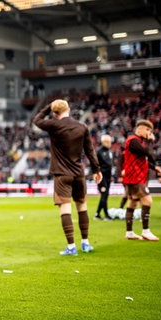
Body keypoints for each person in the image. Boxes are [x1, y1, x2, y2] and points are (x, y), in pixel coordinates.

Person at [33, 99, 102, 256]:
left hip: (62, 173)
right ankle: (85, 243)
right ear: (69, 109)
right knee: (82, 206)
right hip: (79, 173)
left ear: (54, 112)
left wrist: (47, 108)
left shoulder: (53, 125)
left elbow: (36, 120)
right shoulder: (82, 126)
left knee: (65, 208)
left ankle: (71, 246)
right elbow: (90, 150)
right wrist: (96, 169)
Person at [122, 120, 161, 240]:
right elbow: (146, 152)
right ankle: (146, 231)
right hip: (135, 178)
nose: (149, 133)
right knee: (147, 201)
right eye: (147, 130)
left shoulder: (137, 142)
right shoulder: (133, 140)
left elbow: (144, 158)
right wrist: (150, 141)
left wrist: (154, 167)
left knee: (133, 203)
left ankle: (129, 232)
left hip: (134, 177)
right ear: (139, 129)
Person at [94, 134, 113, 220]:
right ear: (103, 142)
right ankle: (106, 215)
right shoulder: (99, 152)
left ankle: (97, 214)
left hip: (108, 177)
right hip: (101, 177)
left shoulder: (109, 151)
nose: (109, 143)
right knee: (104, 194)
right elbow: (94, 164)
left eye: (109, 141)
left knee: (105, 195)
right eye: (107, 141)